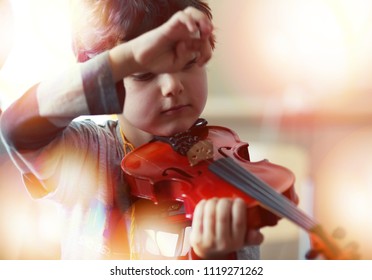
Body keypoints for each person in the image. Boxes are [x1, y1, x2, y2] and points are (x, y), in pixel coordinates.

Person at [0, 0, 266, 260]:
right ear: (106, 81)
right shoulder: (86, 152)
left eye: (188, 63)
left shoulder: (224, 165)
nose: (172, 85)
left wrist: (212, 258)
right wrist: (126, 58)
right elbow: (16, 129)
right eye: (144, 73)